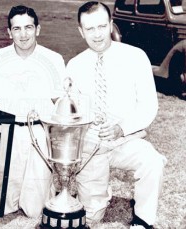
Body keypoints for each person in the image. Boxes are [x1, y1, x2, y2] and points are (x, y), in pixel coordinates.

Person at [66, 2, 167, 229]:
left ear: (111, 24)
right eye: (89, 29)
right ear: (80, 31)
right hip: (91, 146)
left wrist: (121, 127)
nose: (97, 34)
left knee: (152, 161)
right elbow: (71, 115)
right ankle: (99, 192)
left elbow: (149, 106)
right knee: (91, 217)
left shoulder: (136, 57)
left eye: (102, 26)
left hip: (125, 140)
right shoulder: (74, 66)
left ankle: (143, 220)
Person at [0, 5, 65, 218]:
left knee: (35, 210)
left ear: (38, 29)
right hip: (7, 132)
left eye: (28, 27)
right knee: (2, 205)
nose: (23, 34)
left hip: (38, 133)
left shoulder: (53, 59)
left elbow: (60, 104)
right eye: (17, 29)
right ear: (9, 32)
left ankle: (41, 187)